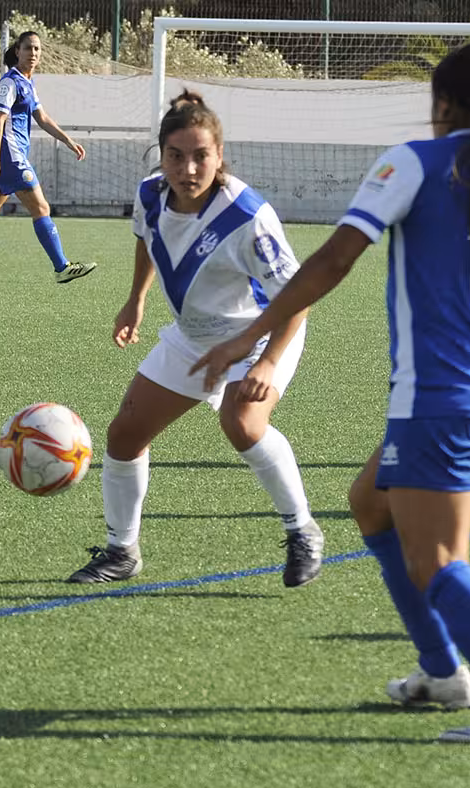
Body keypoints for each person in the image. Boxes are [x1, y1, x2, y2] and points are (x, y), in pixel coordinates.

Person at [192, 43, 470, 745]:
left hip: (440, 396)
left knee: (436, 560)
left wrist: (246, 336)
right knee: (369, 503)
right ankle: (441, 672)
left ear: (442, 106)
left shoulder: (414, 160)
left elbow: (334, 258)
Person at [66, 90, 325, 588]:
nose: (188, 168)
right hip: (193, 337)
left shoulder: (247, 217)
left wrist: (267, 364)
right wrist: (136, 299)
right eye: (176, 156)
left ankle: (303, 530)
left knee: (242, 422)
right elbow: (147, 239)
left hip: (260, 333)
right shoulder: (150, 195)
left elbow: (299, 296)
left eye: (201, 156)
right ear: (160, 155)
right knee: (124, 435)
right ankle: (122, 552)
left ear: (220, 156)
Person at [0, 31, 96, 284]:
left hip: (10, 157)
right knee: (42, 208)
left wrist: (68, 141)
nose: (33, 54)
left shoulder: (27, 83)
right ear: (17, 51)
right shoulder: (9, 82)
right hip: (11, 157)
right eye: (28, 48)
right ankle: (62, 267)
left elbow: (42, 118)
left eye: (37, 49)